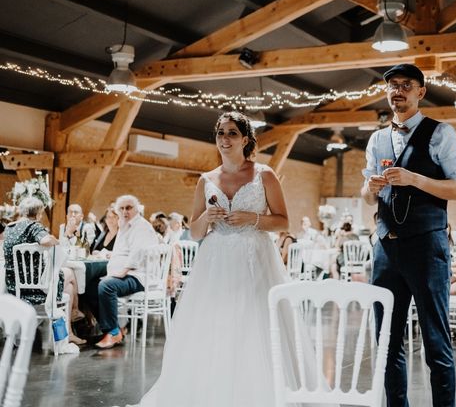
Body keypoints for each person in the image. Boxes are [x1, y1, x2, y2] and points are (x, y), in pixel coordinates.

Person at [132, 111, 327, 407]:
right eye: (221, 133)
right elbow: (195, 232)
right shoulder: (206, 180)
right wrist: (207, 218)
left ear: (245, 139)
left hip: (255, 257)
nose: (225, 138)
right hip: (216, 260)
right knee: (214, 323)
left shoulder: (264, 174)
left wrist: (253, 217)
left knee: (255, 321)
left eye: (232, 133)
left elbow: (283, 222)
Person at [361, 63, 456, 407]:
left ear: (421, 92)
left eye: (406, 85)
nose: (398, 90)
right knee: (386, 341)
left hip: (427, 247)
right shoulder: (377, 139)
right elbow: (366, 196)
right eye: (392, 85)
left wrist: (415, 179)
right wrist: (370, 187)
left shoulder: (440, 133)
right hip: (385, 249)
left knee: (436, 341)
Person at [4, 197, 86, 344]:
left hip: (14, 286)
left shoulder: (9, 228)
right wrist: (55, 240)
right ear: (38, 214)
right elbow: (45, 241)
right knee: (70, 273)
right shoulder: (34, 226)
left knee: (68, 288)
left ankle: (68, 334)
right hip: (37, 287)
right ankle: (75, 311)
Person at [95, 194, 157, 349]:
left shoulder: (141, 226)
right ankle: (113, 328)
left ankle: (113, 331)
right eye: (121, 208)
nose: (125, 211)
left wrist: (123, 271)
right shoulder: (125, 225)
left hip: (138, 276)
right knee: (91, 285)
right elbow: (124, 250)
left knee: (107, 286)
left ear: (136, 209)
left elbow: (138, 251)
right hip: (128, 273)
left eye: (128, 208)